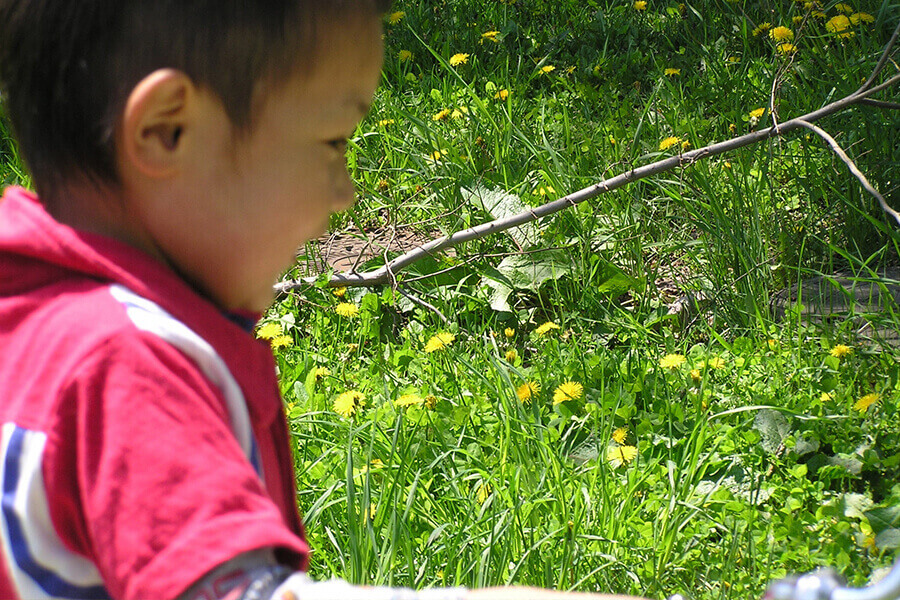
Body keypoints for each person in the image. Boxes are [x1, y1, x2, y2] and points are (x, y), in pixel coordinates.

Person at [0, 2, 648, 600]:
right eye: (334, 142)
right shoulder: (131, 364)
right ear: (168, 130)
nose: (346, 194)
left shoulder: (28, 322)